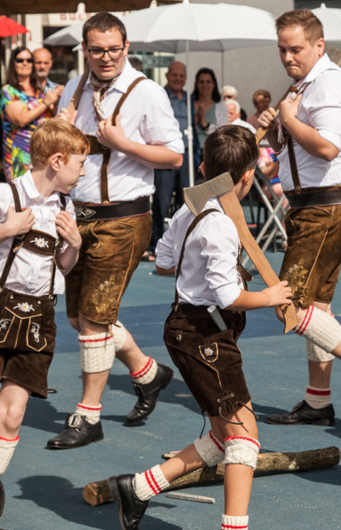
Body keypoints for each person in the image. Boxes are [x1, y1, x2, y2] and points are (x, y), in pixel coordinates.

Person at [108, 125, 290, 530]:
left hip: (189, 330)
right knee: (244, 439)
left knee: (228, 432)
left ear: (204, 165)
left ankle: (138, 487)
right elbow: (228, 297)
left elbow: (163, 263)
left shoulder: (189, 210)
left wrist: (195, 262)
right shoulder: (222, 224)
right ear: (247, 177)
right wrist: (270, 297)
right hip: (204, 334)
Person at [48, 12, 185, 450]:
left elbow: (174, 157)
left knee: (92, 318)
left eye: (113, 49)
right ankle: (148, 373)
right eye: (96, 49)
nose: (105, 57)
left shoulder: (147, 92)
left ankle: (89, 416)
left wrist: (124, 144)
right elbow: (55, 149)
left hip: (124, 217)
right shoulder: (73, 88)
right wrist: (61, 126)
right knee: (78, 316)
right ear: (84, 50)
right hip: (78, 215)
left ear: (127, 48)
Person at [258, 9, 341, 427]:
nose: (287, 56)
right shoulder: (304, 84)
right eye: (282, 49)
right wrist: (278, 128)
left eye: (295, 48)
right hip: (315, 204)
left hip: (328, 207)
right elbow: (298, 143)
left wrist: (287, 119)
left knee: (290, 307)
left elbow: (328, 147)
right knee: (317, 305)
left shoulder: (332, 81)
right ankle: (318, 402)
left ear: (319, 45)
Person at [0, 118, 86, 530]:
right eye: (79, 164)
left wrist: (74, 246)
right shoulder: (1, 195)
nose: (82, 173)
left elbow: (62, 264)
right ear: (56, 161)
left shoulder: (65, 205)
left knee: (9, 416)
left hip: (39, 317)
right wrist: (5, 230)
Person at [0, 47, 64, 181]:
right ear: (13, 63)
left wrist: (57, 101)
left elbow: (52, 115)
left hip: (43, 152)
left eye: (28, 60)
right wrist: (46, 102)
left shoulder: (39, 90)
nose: (25, 63)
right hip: (20, 154)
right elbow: (20, 119)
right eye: (20, 60)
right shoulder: (9, 91)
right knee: (21, 197)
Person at [150, 61, 192, 261]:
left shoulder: (190, 100)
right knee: (161, 200)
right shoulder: (159, 96)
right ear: (167, 76)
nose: (178, 78)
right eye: (174, 75)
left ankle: (184, 242)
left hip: (186, 155)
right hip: (165, 154)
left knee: (187, 201)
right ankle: (156, 242)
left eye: (181, 75)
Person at [192, 68, 228, 159]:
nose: (205, 85)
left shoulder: (221, 106)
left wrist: (205, 124)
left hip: (212, 153)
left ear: (214, 84)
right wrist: (197, 117)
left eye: (208, 82)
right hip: (192, 152)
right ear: (196, 84)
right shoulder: (189, 104)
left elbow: (223, 132)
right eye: (201, 82)